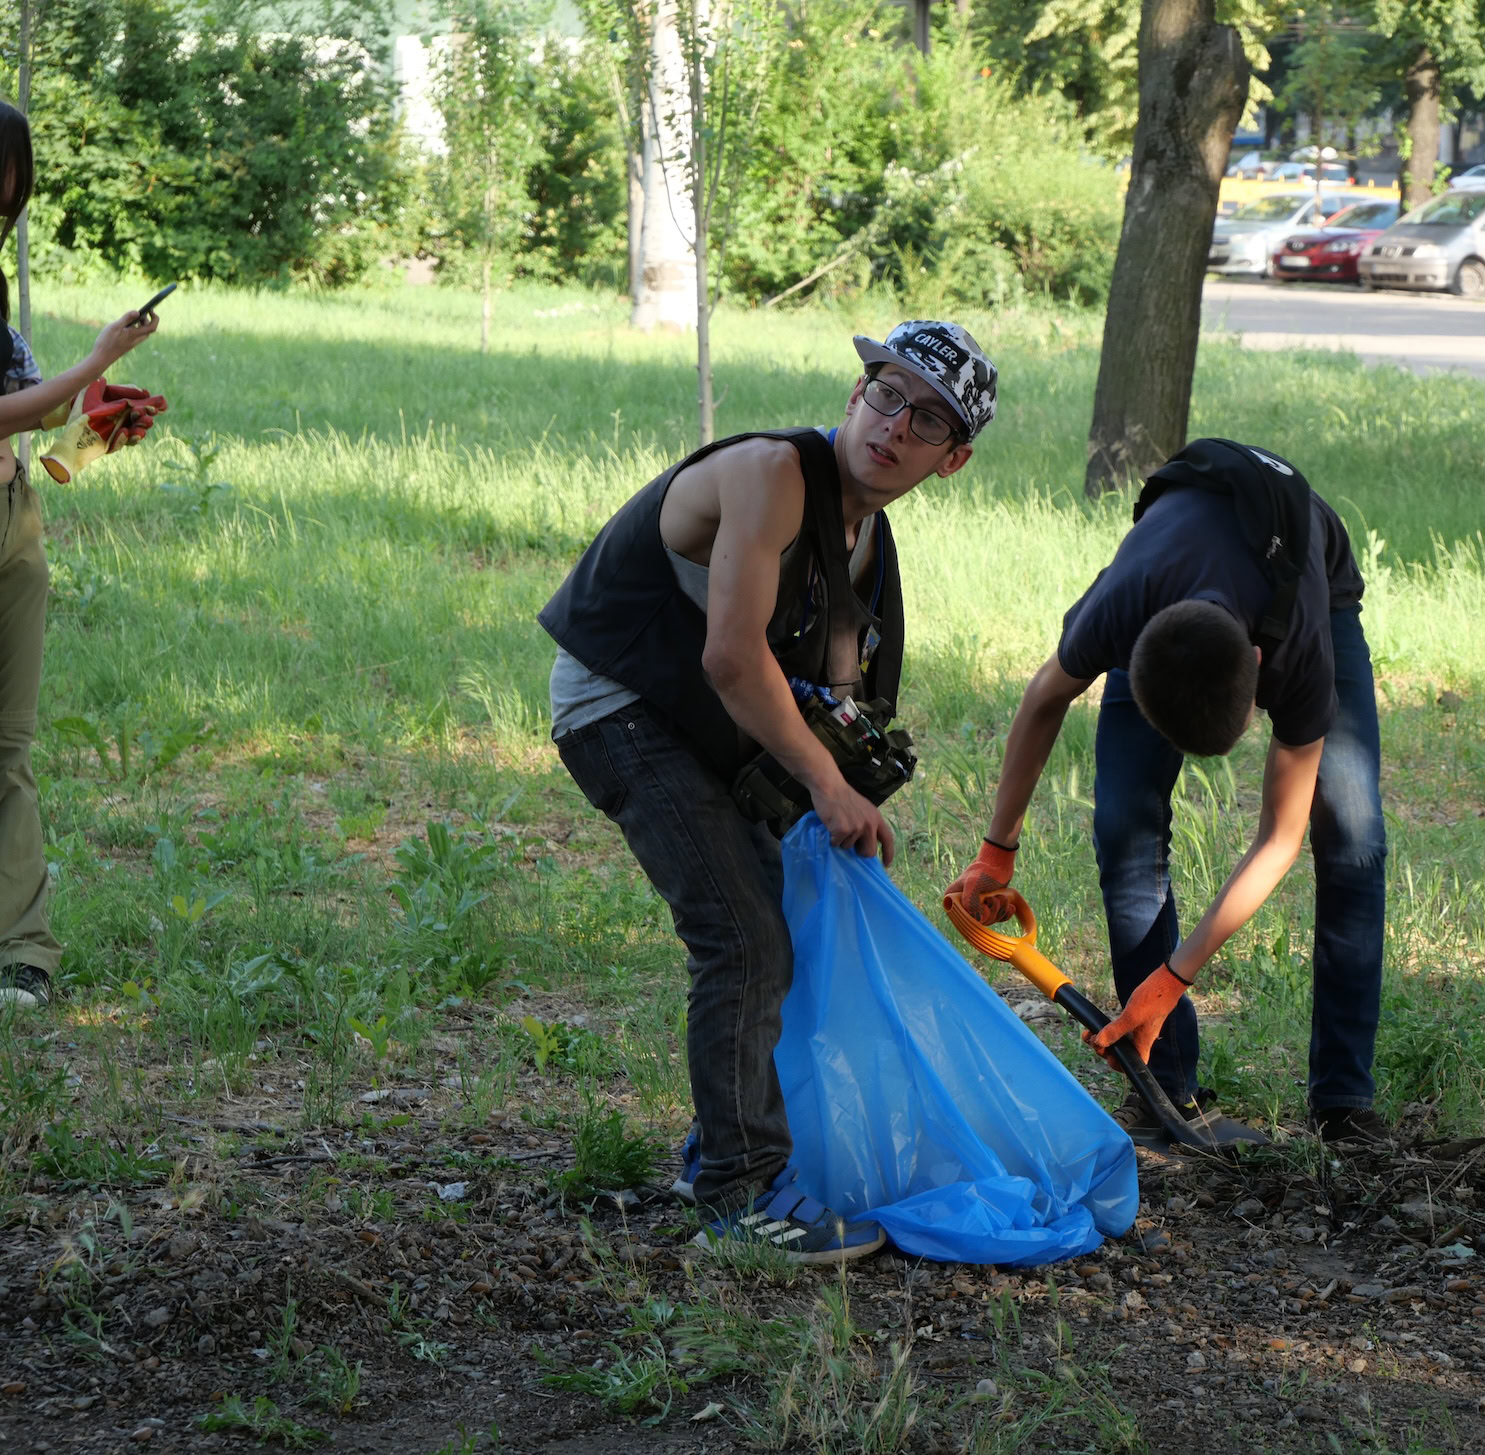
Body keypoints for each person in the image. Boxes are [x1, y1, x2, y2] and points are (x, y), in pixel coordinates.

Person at [539, 322, 995, 1263]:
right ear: (852, 394)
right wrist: (825, 787)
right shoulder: (772, 475)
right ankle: (739, 1198)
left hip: (705, 727)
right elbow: (733, 659)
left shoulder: (868, 545)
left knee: (781, 922)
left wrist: (841, 796)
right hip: (621, 702)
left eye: (927, 421)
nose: (894, 426)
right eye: (885, 393)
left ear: (952, 461)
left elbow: (846, 704)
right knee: (743, 938)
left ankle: (720, 1147)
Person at [945, 439, 1388, 1150]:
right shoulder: (1121, 608)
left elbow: (1280, 838)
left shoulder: (1299, 653)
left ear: (1256, 669)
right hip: (1170, 578)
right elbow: (1041, 701)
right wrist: (997, 850)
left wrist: (1176, 975)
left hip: (1308, 574)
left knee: (1352, 834)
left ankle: (1343, 1100)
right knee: (1125, 825)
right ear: (1131, 658)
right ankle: (1165, 1089)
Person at [0, 103, 161, 1008]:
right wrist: (88, 361)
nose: (8, 205)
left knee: (8, 751)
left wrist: (99, 416)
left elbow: (37, 413)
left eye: (13, 189)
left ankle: (25, 954)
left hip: (13, 518)